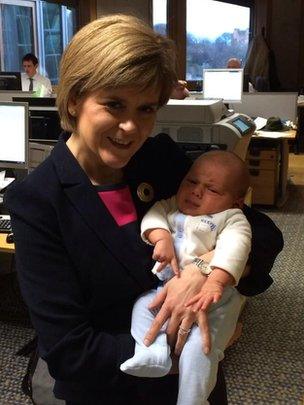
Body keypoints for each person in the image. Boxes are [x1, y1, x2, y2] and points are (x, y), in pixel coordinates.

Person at [5, 14, 283, 405]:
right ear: (73, 99)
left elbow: (264, 233)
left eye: (146, 109)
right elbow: (70, 351)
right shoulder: (38, 200)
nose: (131, 127)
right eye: (114, 104)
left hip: (195, 389)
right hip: (121, 389)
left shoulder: (159, 160)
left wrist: (204, 274)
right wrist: (177, 355)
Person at [120, 151, 251, 404]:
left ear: (236, 202)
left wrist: (214, 280)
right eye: (191, 182)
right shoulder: (171, 205)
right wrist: (162, 237)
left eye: (212, 189)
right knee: (142, 308)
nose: (197, 192)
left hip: (216, 299)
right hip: (165, 288)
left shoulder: (231, 218)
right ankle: (153, 352)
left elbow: (236, 247)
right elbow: (154, 216)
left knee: (201, 348)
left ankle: (193, 399)